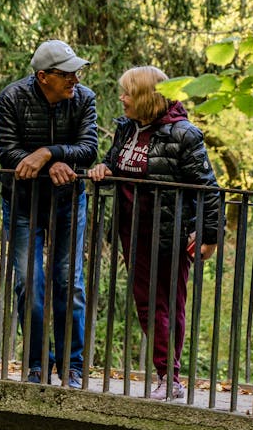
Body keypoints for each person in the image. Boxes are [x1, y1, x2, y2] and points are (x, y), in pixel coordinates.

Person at [88, 66, 219, 401]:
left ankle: (170, 377)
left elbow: (208, 188)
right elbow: (114, 163)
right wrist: (104, 168)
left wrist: (209, 236)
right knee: (145, 302)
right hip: (133, 231)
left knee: (168, 302)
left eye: (128, 93)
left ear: (146, 97)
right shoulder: (127, 129)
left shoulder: (184, 135)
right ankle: (165, 371)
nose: (122, 99)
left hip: (169, 231)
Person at [0, 40, 98, 388]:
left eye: (76, 72)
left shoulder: (85, 99)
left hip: (69, 200)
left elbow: (89, 148)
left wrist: (49, 154)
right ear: (43, 77)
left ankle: (73, 365)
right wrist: (48, 164)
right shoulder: (12, 98)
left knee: (69, 282)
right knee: (28, 283)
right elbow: (8, 154)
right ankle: (38, 363)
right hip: (23, 203)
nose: (75, 79)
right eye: (67, 74)